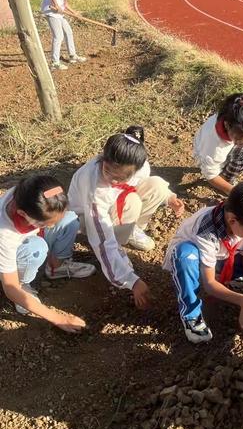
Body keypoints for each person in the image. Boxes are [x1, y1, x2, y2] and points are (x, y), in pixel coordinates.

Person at [68, 125, 184, 309]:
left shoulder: (141, 166)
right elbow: (102, 239)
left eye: (120, 176)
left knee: (158, 186)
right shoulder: (94, 186)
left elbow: (142, 182)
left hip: (116, 203)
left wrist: (169, 197)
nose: (112, 180)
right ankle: (120, 244)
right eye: (107, 171)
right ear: (102, 158)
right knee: (132, 202)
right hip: (86, 219)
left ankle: (131, 229)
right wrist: (130, 280)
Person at [163, 180, 243, 343]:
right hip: (197, 267)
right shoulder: (206, 232)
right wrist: (240, 299)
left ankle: (230, 277)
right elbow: (209, 284)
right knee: (186, 255)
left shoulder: (241, 223)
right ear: (232, 220)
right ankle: (191, 314)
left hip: (221, 258)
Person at [0, 175, 96, 332]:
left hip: (31, 235)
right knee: (36, 249)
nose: (51, 227)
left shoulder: (31, 192)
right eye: (45, 223)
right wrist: (59, 319)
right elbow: (9, 288)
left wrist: (51, 223)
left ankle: (55, 267)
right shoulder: (5, 233)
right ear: (23, 214)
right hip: (19, 254)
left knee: (69, 220)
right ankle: (23, 285)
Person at [40, 0, 87, 71]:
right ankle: (55, 63)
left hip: (58, 13)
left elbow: (64, 2)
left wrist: (74, 13)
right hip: (51, 11)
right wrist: (56, 5)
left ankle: (72, 55)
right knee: (58, 36)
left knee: (68, 32)